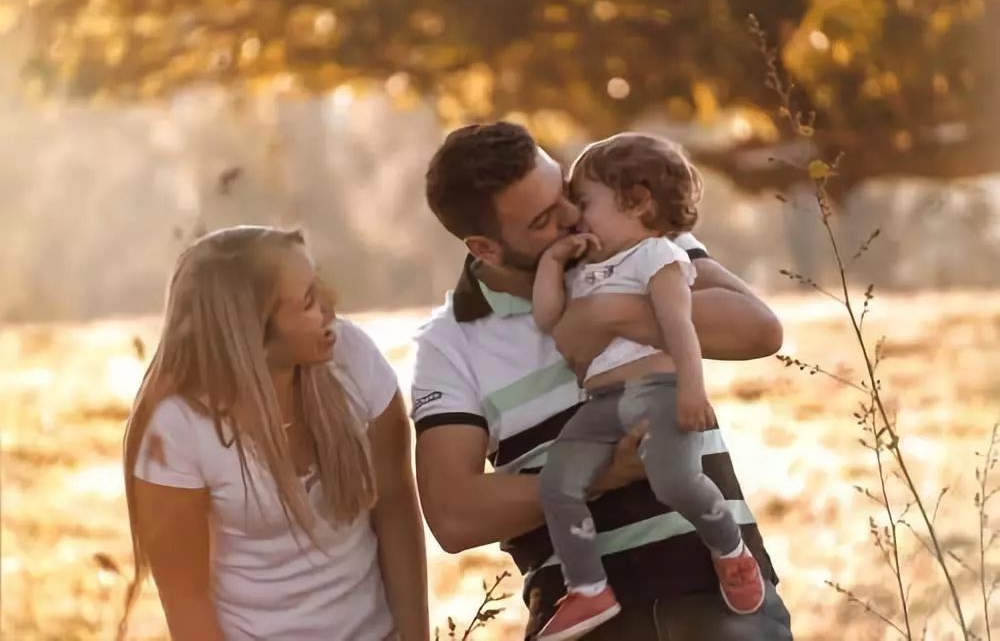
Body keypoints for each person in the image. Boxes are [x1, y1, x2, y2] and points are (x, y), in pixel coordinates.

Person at [411, 122, 792, 640]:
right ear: (487, 247)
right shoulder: (449, 345)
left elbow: (758, 329)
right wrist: (607, 473)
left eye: (564, 190)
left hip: (717, 599)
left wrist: (614, 313)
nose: (573, 216)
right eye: (545, 218)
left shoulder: (637, 237)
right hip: (582, 623)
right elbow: (453, 517)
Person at [119, 226, 428, 641]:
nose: (331, 307)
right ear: (254, 336)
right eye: (308, 301)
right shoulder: (178, 428)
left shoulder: (353, 359)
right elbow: (186, 601)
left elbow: (396, 511)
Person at [531, 133, 765, 640]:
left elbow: (681, 326)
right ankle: (589, 588)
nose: (573, 214)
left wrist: (691, 390)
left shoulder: (657, 257)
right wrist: (553, 263)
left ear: (635, 201)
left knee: (673, 481)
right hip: (602, 402)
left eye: (583, 200)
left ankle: (730, 550)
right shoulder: (584, 267)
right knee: (558, 485)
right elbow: (549, 318)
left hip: (658, 388)